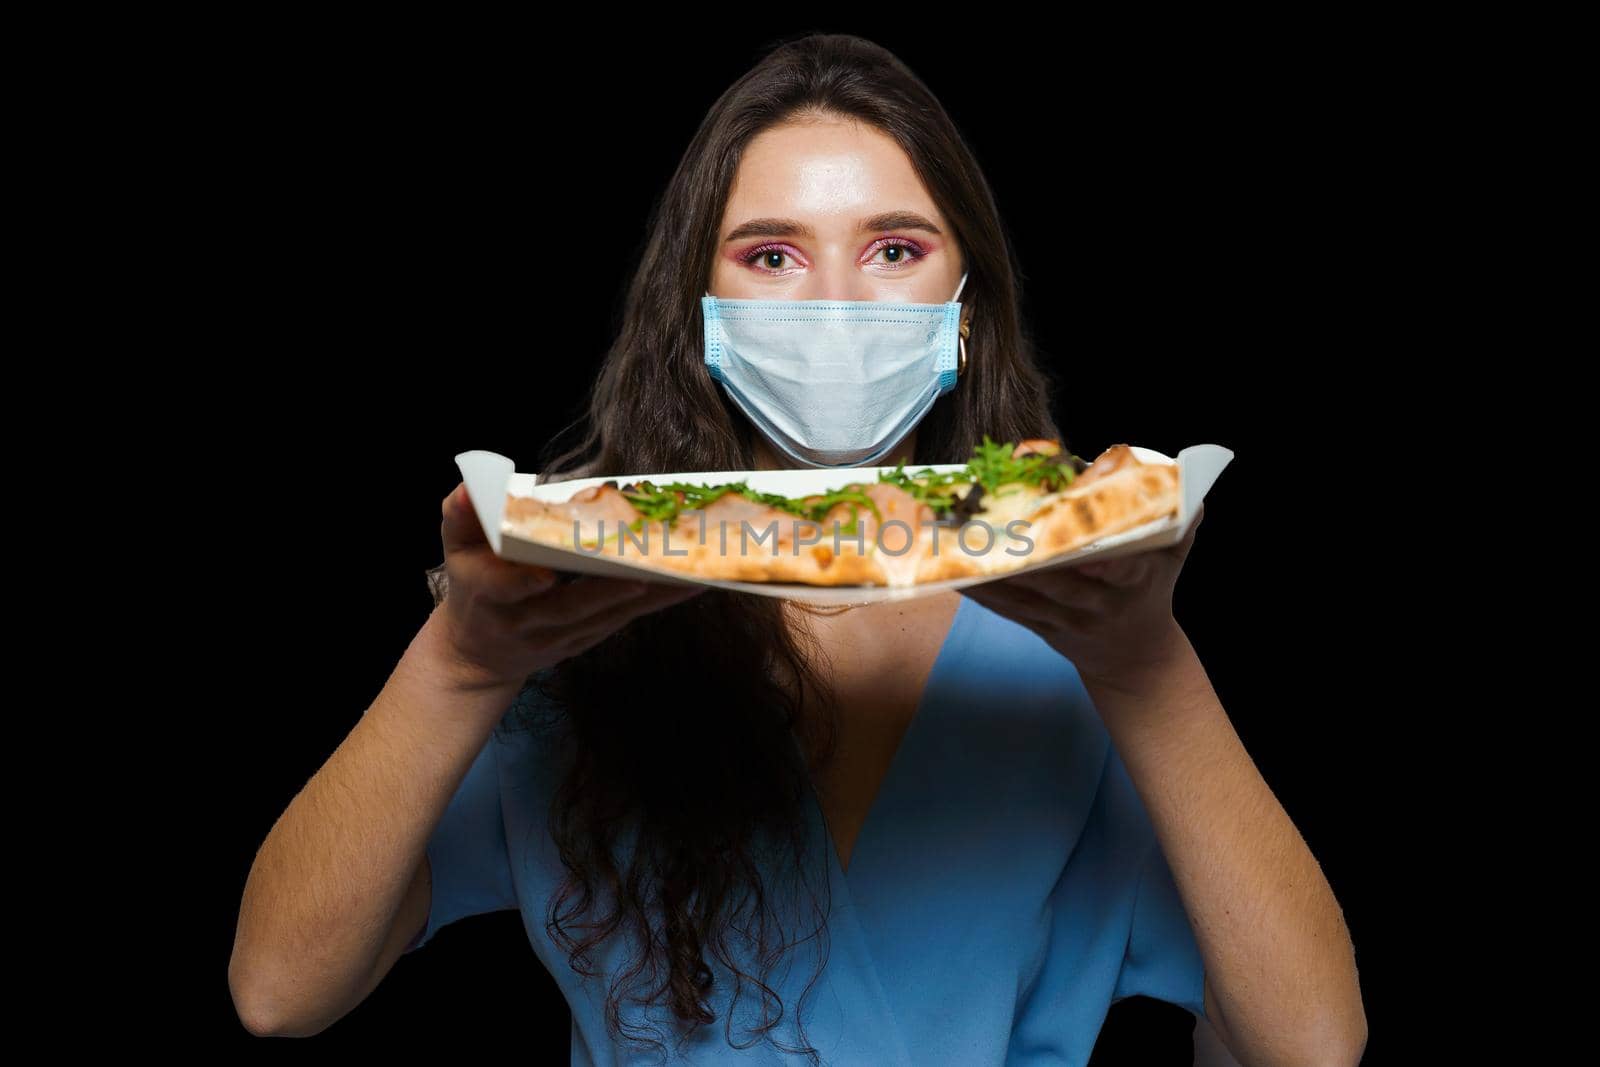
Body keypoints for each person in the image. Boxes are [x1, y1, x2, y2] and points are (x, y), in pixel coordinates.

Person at [229, 33, 1366, 1066]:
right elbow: (281, 990)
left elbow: (1306, 1043)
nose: (832, 302)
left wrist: (1147, 666)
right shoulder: (574, 609)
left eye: (892, 248)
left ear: (965, 306)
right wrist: (458, 663)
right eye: (771, 256)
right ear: (701, 312)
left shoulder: (1071, 625)